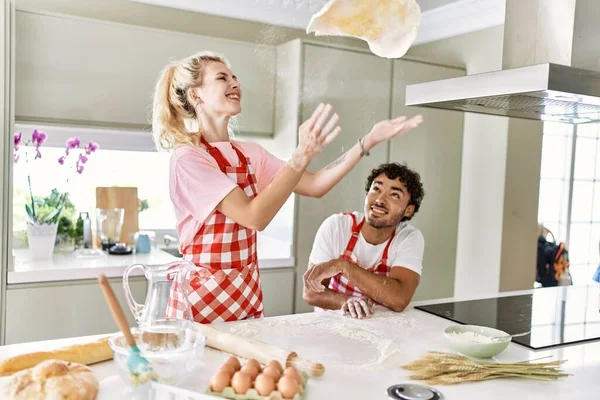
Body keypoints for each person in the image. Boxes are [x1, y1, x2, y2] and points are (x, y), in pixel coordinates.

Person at [151, 50, 423, 324]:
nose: (235, 84)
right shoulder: (189, 158)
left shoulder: (249, 154)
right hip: (201, 301)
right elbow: (253, 216)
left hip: (245, 294)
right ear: (196, 95)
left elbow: (315, 184)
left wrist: (369, 141)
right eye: (222, 78)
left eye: (235, 77)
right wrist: (301, 155)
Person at [303, 162, 425, 319]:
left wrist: (343, 266)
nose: (380, 199)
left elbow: (399, 299)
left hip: (381, 327)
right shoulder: (337, 226)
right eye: (376, 189)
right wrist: (346, 301)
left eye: (394, 194)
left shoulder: (408, 238)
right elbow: (311, 293)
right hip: (332, 324)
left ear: (408, 210)